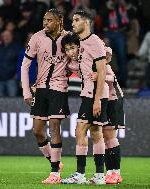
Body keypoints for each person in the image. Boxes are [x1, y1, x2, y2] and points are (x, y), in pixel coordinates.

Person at [62, 33, 125, 184]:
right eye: (67, 49)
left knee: (109, 135)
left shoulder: (93, 56)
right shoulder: (73, 63)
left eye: (73, 48)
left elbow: (111, 77)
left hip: (112, 97)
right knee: (99, 132)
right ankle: (104, 174)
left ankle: (115, 172)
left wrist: (99, 76)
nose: (70, 52)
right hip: (97, 96)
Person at [21, 9, 70, 184]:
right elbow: (25, 65)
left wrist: (106, 50)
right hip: (40, 89)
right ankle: (55, 162)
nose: (45, 23)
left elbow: (86, 52)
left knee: (54, 127)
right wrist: (27, 91)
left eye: (49, 20)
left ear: (59, 21)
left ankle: (55, 173)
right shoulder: (37, 37)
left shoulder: (70, 38)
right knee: (37, 131)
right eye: (44, 20)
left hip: (59, 88)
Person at [61, 10, 109, 185]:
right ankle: (99, 176)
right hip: (91, 93)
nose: (72, 23)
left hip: (94, 95)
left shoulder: (94, 41)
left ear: (86, 23)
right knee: (96, 133)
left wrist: (97, 100)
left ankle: (80, 174)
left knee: (80, 130)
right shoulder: (81, 42)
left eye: (76, 20)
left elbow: (102, 70)